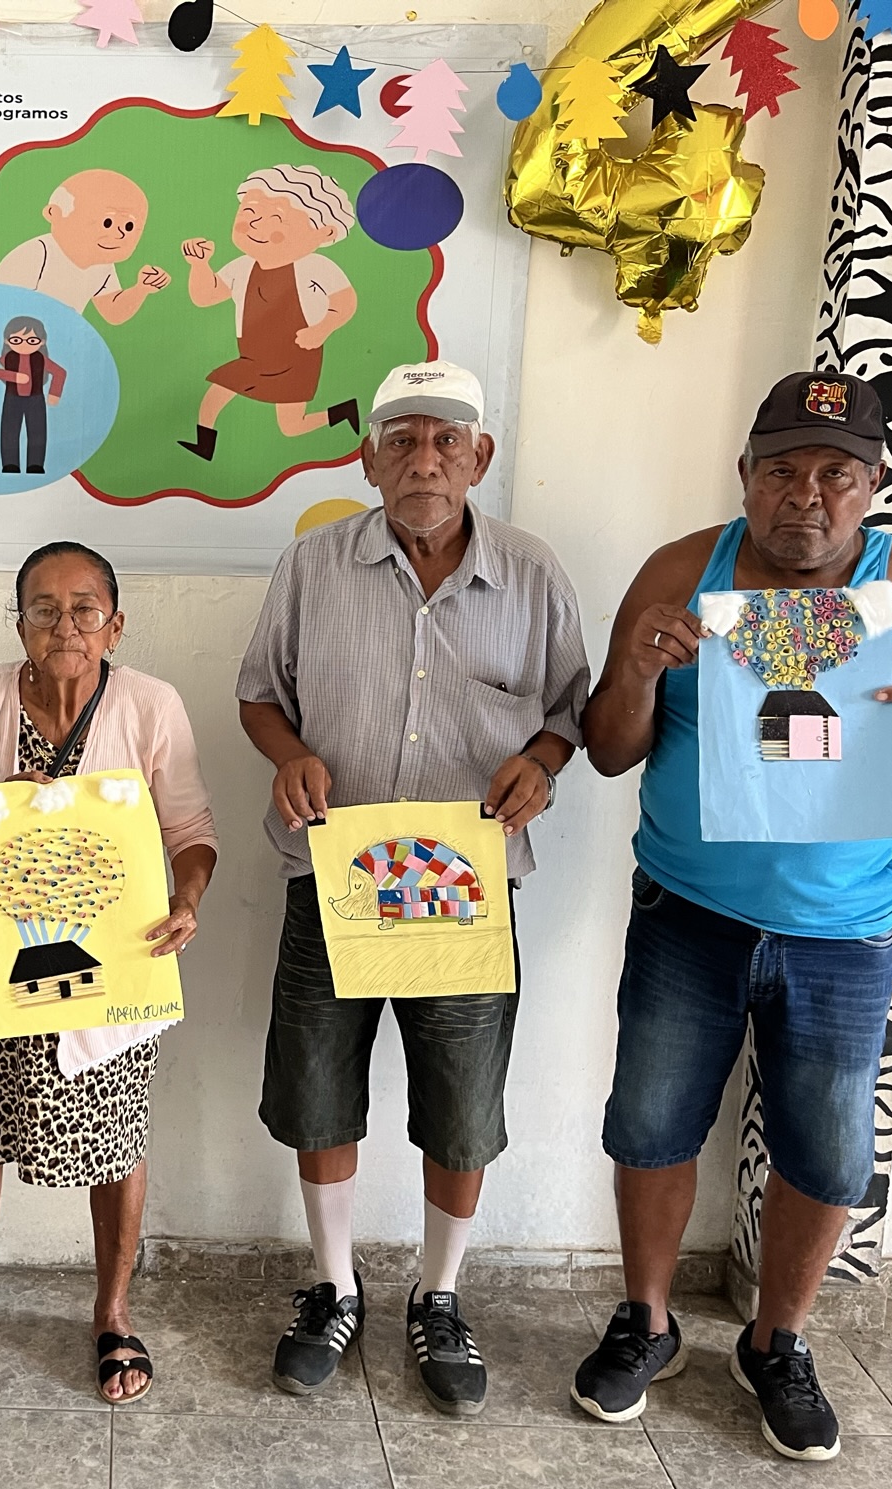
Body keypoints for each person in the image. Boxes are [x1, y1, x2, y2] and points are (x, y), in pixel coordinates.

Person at [573, 370, 892, 1460]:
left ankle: (778, 1341)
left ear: (874, 484)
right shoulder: (682, 571)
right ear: (745, 475)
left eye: (834, 474)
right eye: (781, 469)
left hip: (843, 930)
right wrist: (637, 671)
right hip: (687, 910)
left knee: (826, 1150)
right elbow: (608, 747)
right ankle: (647, 1321)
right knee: (650, 1124)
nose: (805, 494)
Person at [236, 360, 589, 1411]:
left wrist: (542, 763)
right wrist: (288, 755)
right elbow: (258, 695)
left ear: (480, 457)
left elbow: (567, 710)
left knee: (462, 1102)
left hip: (462, 890)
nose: (423, 461)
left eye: (445, 441)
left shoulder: (531, 574)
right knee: (317, 1089)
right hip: (334, 875)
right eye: (401, 441)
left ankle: (438, 1293)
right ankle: (333, 1285)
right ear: (368, 458)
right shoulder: (312, 565)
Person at [0, 541, 216, 1404]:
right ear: (20, 625)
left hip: (116, 969)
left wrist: (187, 899)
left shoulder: (151, 705)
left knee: (118, 1142)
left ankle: (113, 1313)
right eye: (43, 609)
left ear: (115, 626)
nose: (64, 625)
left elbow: (191, 832)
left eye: (85, 609)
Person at [177, 165, 363, 462]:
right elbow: (205, 296)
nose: (254, 224)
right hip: (253, 355)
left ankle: (340, 413)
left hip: (297, 356)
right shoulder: (242, 266)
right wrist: (200, 265)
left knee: (291, 427)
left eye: (275, 218)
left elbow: (345, 302)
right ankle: (204, 444)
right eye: (249, 212)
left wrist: (322, 329)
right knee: (218, 390)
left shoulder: (316, 267)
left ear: (324, 232)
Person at [0, 169, 170, 323]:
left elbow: (112, 312)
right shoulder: (37, 254)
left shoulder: (102, 265)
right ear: (54, 213)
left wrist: (141, 289)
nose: (119, 234)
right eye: (107, 222)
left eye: (128, 226)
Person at [0, 314, 68, 475]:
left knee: (37, 432)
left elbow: (60, 373)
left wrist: (54, 393)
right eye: (16, 340)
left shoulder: (41, 358)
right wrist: (14, 377)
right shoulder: (8, 357)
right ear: (7, 341)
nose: (24, 345)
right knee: (9, 432)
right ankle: (10, 464)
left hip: (36, 399)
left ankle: (35, 464)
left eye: (31, 340)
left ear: (42, 341)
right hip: (12, 399)